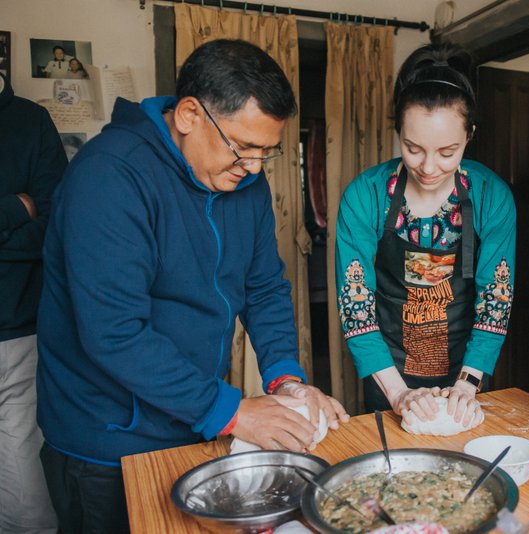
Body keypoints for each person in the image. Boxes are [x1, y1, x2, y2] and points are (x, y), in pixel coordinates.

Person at [36, 39, 348, 532]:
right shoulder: (107, 177)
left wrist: (286, 379)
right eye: (242, 148)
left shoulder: (245, 183)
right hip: (108, 443)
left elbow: (264, 286)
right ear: (188, 115)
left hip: (194, 422)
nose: (252, 167)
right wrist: (233, 412)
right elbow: (115, 332)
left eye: (266, 152)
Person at [335, 43, 516, 426]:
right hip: (388, 363)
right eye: (412, 148)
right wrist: (398, 392)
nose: (429, 167)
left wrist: (467, 385)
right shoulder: (365, 196)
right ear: (398, 131)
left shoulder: (490, 195)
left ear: (470, 135)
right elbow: (356, 306)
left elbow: (495, 298)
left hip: (466, 359)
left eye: (447, 151)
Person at [0, 72, 64, 533]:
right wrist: (14, 209)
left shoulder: (31, 120)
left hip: (19, 330)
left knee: (30, 503)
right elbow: (34, 215)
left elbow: (54, 223)